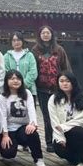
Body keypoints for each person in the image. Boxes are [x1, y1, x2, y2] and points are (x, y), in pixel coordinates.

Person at [0, 70, 47, 166]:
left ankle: (39, 159)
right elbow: (2, 117)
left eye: (18, 78)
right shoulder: (2, 97)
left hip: (22, 127)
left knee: (32, 133)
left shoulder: (27, 93)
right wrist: (5, 135)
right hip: (9, 129)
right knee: (8, 154)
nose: (15, 81)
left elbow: (32, 110)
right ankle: (10, 149)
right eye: (12, 79)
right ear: (6, 81)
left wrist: (33, 124)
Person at [32, 25, 72, 153]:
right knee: (47, 116)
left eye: (47, 32)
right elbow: (33, 69)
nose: (45, 35)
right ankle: (49, 142)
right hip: (42, 88)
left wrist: (68, 83)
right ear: (39, 35)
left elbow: (66, 67)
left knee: (61, 114)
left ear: (52, 34)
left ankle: (61, 139)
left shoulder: (59, 49)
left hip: (57, 88)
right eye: (43, 33)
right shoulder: (35, 50)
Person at [48, 72, 83, 166]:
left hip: (81, 133)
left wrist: (65, 126)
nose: (64, 83)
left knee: (77, 131)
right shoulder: (53, 99)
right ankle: (75, 157)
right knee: (59, 149)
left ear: (73, 82)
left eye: (68, 81)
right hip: (61, 133)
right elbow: (54, 121)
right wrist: (60, 138)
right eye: (62, 81)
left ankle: (82, 163)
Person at [3, 31, 38, 103]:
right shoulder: (7, 56)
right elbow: (6, 72)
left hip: (28, 89)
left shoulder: (29, 55)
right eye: (14, 40)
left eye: (18, 40)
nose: (16, 42)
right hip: (11, 90)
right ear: (11, 42)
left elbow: (33, 72)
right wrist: (13, 85)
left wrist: (23, 85)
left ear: (22, 41)